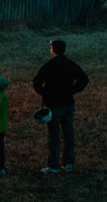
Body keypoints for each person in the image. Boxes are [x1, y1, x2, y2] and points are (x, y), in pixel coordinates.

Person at [32, 39, 90, 173]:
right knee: (68, 133)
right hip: (68, 104)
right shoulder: (70, 64)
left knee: (54, 136)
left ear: (53, 50)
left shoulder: (49, 65)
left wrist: (45, 93)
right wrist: (73, 90)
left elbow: (37, 81)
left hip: (54, 105)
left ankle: (53, 165)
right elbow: (84, 79)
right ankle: (68, 163)